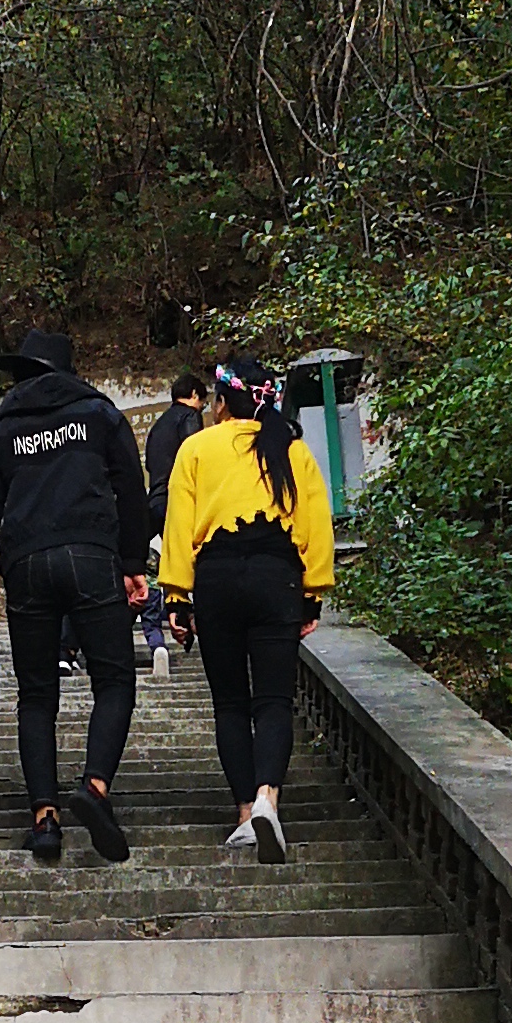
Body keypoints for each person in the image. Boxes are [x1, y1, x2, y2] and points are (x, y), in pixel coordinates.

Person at [0, 327, 150, 863]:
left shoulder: (3, 429)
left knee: (38, 694)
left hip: (26, 567)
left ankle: (45, 818)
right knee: (113, 679)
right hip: (91, 556)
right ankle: (94, 789)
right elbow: (131, 486)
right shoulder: (97, 414)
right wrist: (133, 561)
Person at [157, 347, 334, 861]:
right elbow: (315, 524)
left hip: (217, 579)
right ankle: (267, 800)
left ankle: (242, 816)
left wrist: (175, 595)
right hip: (276, 576)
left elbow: (178, 526)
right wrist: (312, 595)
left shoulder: (197, 449)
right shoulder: (290, 449)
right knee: (275, 699)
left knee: (231, 703)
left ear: (221, 403)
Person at [140, 368, 206, 678]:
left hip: (155, 501)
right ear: (194, 396)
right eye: (203, 402)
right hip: (178, 501)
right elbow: (197, 458)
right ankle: (188, 621)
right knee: (195, 563)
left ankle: (159, 627)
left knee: (160, 568)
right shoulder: (188, 419)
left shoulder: (158, 426)